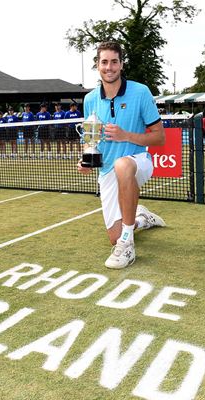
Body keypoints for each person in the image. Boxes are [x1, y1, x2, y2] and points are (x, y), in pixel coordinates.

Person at [77, 41, 166, 269]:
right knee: (112, 236)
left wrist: (126, 135)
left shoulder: (140, 92)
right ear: (97, 65)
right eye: (104, 62)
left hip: (138, 162)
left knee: (123, 165)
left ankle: (127, 244)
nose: (109, 67)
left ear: (121, 64)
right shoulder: (90, 100)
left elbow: (159, 138)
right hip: (107, 170)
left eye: (114, 62)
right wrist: (86, 159)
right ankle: (140, 220)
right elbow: (90, 138)